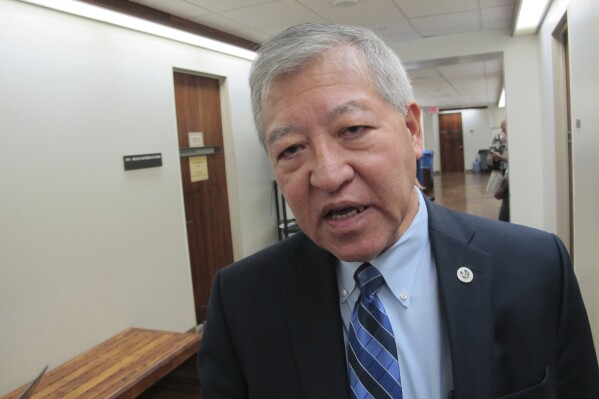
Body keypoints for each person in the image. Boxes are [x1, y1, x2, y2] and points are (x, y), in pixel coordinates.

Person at [198, 23, 598, 398]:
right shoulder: (241, 303)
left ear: (411, 130)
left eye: (352, 130)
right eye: (290, 149)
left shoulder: (536, 269)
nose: (329, 175)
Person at [490, 120, 509, 221]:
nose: (503, 132)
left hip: (508, 183)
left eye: (504, 129)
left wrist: (502, 189)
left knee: (504, 217)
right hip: (505, 176)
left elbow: (511, 163)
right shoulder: (506, 142)